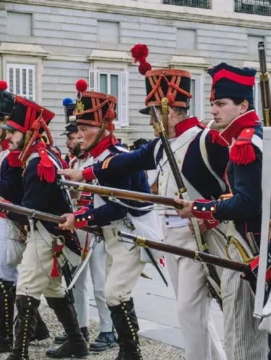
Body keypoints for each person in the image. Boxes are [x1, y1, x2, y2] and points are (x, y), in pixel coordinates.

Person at [58, 46, 229, 360]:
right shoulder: (162, 144)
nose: (151, 120)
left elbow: (230, 186)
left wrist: (211, 213)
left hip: (201, 236)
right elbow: (127, 162)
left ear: (170, 110)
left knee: (193, 313)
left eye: (153, 112)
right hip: (173, 238)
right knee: (192, 313)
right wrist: (84, 172)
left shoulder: (206, 140)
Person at [59, 79, 164, 360]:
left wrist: (80, 218)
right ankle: (129, 352)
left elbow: (118, 208)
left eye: (85, 129)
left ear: (104, 127)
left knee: (115, 294)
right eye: (78, 129)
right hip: (112, 236)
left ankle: (131, 353)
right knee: (113, 294)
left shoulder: (115, 157)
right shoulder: (97, 157)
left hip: (131, 233)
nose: (80, 135)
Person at [176, 62, 268, 360]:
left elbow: (247, 203)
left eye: (221, 103)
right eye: (213, 103)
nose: (213, 110)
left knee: (242, 338)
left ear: (243, 105)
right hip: (259, 243)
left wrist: (202, 208)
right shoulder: (257, 135)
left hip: (249, 248)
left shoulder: (245, 143)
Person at [0, 96, 88, 360]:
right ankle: (77, 342)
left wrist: (2, 205)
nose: (9, 138)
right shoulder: (41, 156)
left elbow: (32, 209)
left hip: (46, 234)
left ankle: (19, 353)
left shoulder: (40, 161)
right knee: (53, 289)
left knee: (25, 289)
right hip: (49, 232)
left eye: (14, 132)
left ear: (27, 132)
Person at [0, 81, 49, 355]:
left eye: (1, 123)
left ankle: (6, 336)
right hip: (3, 218)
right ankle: (37, 327)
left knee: (0, 277)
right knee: (13, 277)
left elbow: (8, 190)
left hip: (11, 220)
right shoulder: (10, 153)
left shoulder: (15, 156)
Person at [54, 100, 117, 352]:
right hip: (78, 228)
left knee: (101, 283)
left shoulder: (98, 160)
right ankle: (79, 329)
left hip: (97, 229)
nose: (72, 141)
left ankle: (107, 329)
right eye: (72, 136)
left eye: (75, 137)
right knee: (77, 283)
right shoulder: (74, 163)